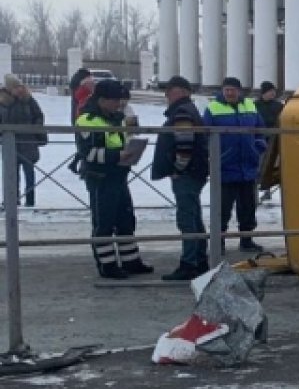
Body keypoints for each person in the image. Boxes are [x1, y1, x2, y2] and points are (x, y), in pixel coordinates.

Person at [76, 78, 153, 278]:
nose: (119, 103)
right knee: (104, 223)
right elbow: (88, 153)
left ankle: (130, 261)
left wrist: (132, 138)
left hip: (118, 174)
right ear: (102, 100)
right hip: (100, 177)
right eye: (115, 100)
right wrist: (118, 155)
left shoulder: (116, 117)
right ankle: (107, 265)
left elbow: (128, 137)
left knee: (125, 219)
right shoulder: (88, 120)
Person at [151, 76, 209, 281]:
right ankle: (200, 260)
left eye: (171, 91)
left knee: (187, 218)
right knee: (193, 215)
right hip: (195, 171)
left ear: (183, 92)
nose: (167, 95)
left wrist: (178, 168)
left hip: (187, 173)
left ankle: (190, 263)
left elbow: (185, 144)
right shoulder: (188, 110)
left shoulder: (182, 112)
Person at [202, 76, 267, 253]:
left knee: (248, 207)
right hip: (224, 167)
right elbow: (203, 135)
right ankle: (219, 242)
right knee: (222, 208)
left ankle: (246, 240)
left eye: (233, 89)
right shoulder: (213, 108)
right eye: (226, 89)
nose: (230, 93)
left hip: (247, 166)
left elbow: (260, 130)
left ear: (239, 91)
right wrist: (213, 154)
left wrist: (259, 146)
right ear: (222, 91)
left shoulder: (250, 106)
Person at [0, 74, 48, 207]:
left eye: (20, 86)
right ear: (9, 88)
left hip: (28, 143)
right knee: (11, 174)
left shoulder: (28, 100)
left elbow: (38, 115)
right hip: (10, 144)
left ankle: (30, 200)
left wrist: (35, 129)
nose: (19, 89)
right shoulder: (2, 101)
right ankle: (12, 200)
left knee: (29, 174)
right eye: (16, 87)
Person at [254, 81, 284, 201]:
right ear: (264, 93)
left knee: (271, 166)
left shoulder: (278, 106)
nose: (273, 94)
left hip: (274, 139)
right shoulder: (255, 105)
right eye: (270, 91)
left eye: (273, 91)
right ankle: (257, 189)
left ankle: (267, 190)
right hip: (259, 139)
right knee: (259, 165)